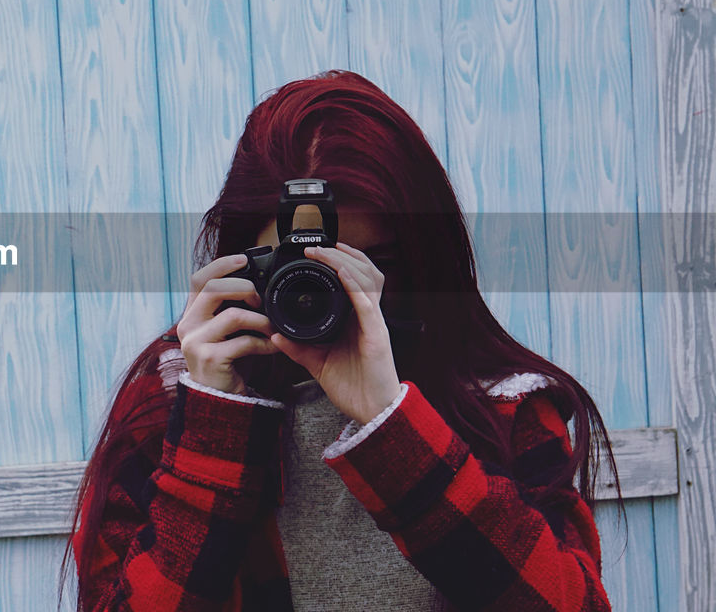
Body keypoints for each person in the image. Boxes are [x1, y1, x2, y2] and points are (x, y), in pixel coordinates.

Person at [63, 71, 622, 611]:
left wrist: (393, 427)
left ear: (422, 259)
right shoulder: (177, 396)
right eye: (302, 265)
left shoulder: (501, 403)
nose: (334, 293)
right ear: (239, 258)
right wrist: (212, 426)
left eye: (369, 265)